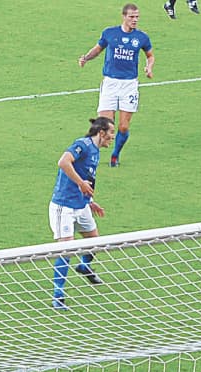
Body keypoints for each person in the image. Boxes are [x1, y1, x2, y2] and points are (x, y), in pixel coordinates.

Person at [49, 117, 116, 310]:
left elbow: (87, 179)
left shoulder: (95, 151)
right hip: (64, 206)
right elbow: (63, 162)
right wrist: (80, 183)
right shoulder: (83, 145)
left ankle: (84, 266)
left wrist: (90, 201)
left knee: (94, 242)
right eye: (110, 133)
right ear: (101, 132)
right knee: (66, 250)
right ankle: (58, 295)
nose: (112, 137)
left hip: (81, 205)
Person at [78, 3, 154, 167]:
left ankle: (115, 155)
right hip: (110, 83)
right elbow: (97, 49)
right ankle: (91, 155)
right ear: (124, 16)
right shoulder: (110, 33)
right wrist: (86, 58)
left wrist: (149, 67)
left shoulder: (141, 37)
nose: (135, 20)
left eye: (137, 17)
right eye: (132, 17)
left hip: (129, 85)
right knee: (103, 125)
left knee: (123, 127)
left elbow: (150, 55)